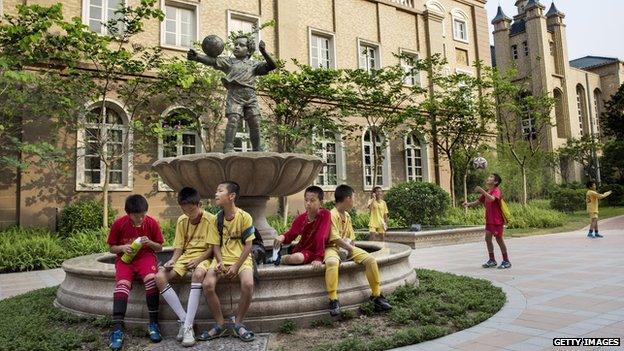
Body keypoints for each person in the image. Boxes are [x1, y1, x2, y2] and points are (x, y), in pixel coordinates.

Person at [184, 181, 256, 345]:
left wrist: (237, 266)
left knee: (248, 284)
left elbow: (248, 245)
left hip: (241, 259)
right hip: (221, 258)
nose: (216, 194)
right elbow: (215, 245)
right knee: (208, 284)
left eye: (220, 191)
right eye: (216, 191)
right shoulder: (217, 219)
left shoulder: (245, 217)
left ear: (231, 196)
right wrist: (220, 261)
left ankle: (238, 323)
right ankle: (221, 324)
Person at [187, 35, 277, 153]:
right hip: (235, 94)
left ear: (249, 50)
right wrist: (197, 57)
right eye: (236, 45)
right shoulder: (229, 62)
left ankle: (257, 149)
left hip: (250, 96)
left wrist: (264, 52)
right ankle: (228, 147)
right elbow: (213, 61)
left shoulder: (254, 65)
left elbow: (272, 66)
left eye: (241, 45)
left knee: (255, 123)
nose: (237, 47)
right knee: (233, 119)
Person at [154, 187, 215, 344]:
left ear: (199, 204)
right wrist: (172, 261)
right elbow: (179, 248)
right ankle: (185, 320)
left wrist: (198, 260)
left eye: (192, 210)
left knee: (198, 274)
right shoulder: (182, 220)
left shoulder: (210, 220)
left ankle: (187, 328)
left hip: (204, 256)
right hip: (185, 257)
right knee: (160, 277)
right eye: (185, 210)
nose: (189, 214)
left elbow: (212, 248)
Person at [106, 195, 164, 351]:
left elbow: (159, 247)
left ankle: (153, 324)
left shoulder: (151, 223)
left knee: (152, 280)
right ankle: (117, 329)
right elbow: (111, 248)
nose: (141, 219)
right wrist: (123, 247)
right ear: (128, 213)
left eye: (143, 215)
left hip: (146, 257)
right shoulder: (119, 224)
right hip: (126, 260)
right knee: (122, 286)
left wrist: (149, 243)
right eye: (137, 216)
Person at [324, 184, 392, 316]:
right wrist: (351, 249)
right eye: (353, 197)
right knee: (332, 263)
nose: (354, 200)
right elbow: (335, 238)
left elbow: (351, 237)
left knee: (370, 260)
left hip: (347, 247)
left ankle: (376, 296)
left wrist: (354, 251)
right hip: (331, 248)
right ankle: (333, 299)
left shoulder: (347, 216)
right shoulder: (331, 215)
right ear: (348, 198)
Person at [273, 185, 331, 266]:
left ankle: (287, 258)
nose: (308, 203)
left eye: (312, 200)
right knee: (297, 258)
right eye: (306, 200)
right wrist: (282, 237)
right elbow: (291, 234)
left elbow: (321, 236)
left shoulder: (325, 214)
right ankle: (283, 258)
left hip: (321, 250)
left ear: (320, 203)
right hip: (304, 252)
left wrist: (319, 258)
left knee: (298, 258)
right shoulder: (301, 218)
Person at [463, 173, 511, 269]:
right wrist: (468, 204)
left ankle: (506, 261)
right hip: (489, 220)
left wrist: (482, 191)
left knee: (499, 240)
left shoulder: (496, 190)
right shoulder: (488, 191)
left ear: (495, 182)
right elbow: (478, 202)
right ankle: (492, 260)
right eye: (489, 176)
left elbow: (492, 199)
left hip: (497, 220)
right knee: (487, 239)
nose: (488, 178)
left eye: (491, 177)